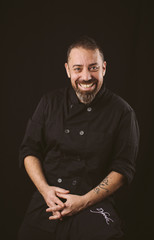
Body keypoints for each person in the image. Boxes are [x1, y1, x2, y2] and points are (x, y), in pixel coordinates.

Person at [18, 36, 140, 240]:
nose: (86, 76)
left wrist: (83, 201)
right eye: (78, 69)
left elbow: (123, 169)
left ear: (104, 68)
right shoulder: (49, 103)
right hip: (48, 200)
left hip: (93, 201)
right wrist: (46, 191)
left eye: (93, 67)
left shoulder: (123, 112)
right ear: (67, 70)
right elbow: (29, 150)